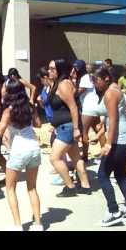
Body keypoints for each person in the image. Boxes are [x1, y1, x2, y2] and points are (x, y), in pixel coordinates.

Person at [0, 80, 43, 231]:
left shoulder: (8, 111)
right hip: (34, 148)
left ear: (10, 93)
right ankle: (38, 224)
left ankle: (17, 225)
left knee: (10, 188)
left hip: (18, 151)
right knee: (32, 188)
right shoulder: (30, 107)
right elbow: (38, 124)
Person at [93, 66, 126, 226]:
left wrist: (108, 144)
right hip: (125, 139)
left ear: (106, 78)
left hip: (118, 141)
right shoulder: (115, 89)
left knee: (102, 175)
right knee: (120, 175)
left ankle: (114, 211)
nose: (95, 84)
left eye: (97, 80)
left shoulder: (110, 93)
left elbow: (112, 120)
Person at [47, 59, 91, 197]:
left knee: (54, 158)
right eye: (49, 68)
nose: (49, 71)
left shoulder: (63, 85)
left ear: (60, 70)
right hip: (65, 126)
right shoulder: (59, 84)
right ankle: (85, 186)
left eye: (52, 69)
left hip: (68, 127)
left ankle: (70, 187)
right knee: (76, 157)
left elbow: (73, 107)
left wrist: (77, 128)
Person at [73, 60, 104, 163]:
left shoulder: (85, 77)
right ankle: (106, 154)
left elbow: (79, 92)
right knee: (98, 130)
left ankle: (85, 156)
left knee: (84, 132)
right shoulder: (89, 77)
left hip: (88, 107)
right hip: (95, 106)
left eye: (77, 68)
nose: (75, 70)